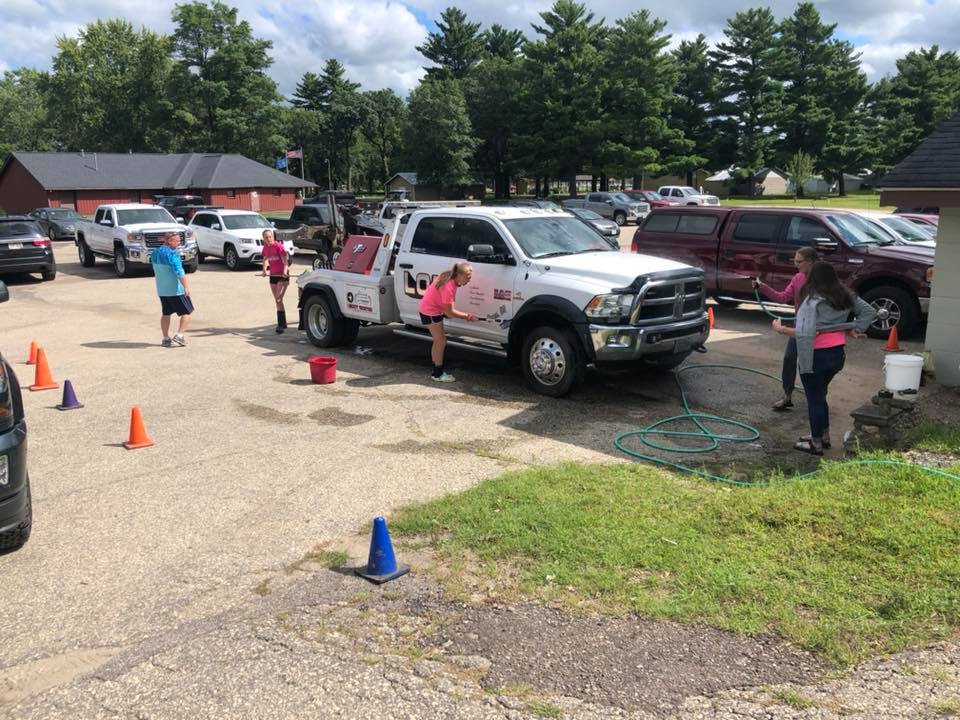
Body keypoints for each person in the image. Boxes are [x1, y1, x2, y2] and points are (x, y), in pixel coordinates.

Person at [772, 262, 876, 455]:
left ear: (812, 278)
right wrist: (856, 328)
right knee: (820, 395)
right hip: (837, 355)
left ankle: (816, 443)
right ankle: (823, 435)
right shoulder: (845, 296)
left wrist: (781, 329)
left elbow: (804, 333)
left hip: (815, 357)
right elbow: (869, 311)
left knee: (814, 399)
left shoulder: (812, 301)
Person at [753, 246, 818, 411]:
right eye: (795, 261)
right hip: (798, 326)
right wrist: (762, 287)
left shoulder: (822, 280)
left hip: (817, 329)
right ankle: (787, 396)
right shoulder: (797, 278)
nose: (796, 264)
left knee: (810, 365)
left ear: (811, 261)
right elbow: (782, 297)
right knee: (789, 359)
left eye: (799, 261)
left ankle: (817, 399)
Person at [418, 262, 478, 382]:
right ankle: (437, 374)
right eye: (467, 277)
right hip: (430, 312)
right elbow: (450, 313)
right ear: (459, 275)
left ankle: (436, 371)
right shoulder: (449, 287)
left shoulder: (449, 277)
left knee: (439, 341)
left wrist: (446, 312)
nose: (469, 280)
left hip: (430, 310)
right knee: (440, 341)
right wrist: (468, 316)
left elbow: (442, 304)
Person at [151, 231, 193, 347]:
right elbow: (179, 272)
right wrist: (186, 286)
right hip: (175, 290)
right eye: (177, 241)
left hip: (162, 289)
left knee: (166, 313)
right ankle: (179, 336)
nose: (179, 243)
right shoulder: (173, 254)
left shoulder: (155, 252)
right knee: (186, 313)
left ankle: (165, 338)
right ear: (169, 241)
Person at [260, 229, 289, 333]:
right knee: (277, 300)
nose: (269, 239)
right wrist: (264, 270)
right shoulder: (265, 247)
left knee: (278, 298)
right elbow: (265, 259)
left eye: (270, 237)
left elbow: (285, 262)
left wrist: (285, 271)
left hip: (282, 275)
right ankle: (283, 323)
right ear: (263, 239)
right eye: (266, 237)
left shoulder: (278, 246)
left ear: (273, 237)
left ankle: (280, 325)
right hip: (273, 275)